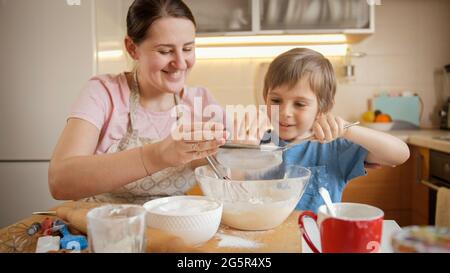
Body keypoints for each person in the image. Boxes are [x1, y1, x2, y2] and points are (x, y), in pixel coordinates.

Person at [48, 0, 227, 204]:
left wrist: (244, 149)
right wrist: (158, 155)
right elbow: (59, 181)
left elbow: (230, 176)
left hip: (174, 228)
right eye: (165, 51)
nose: (180, 63)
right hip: (109, 230)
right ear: (132, 48)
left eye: (187, 49)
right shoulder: (104, 93)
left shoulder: (201, 102)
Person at [261, 48, 410, 212]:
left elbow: (400, 155)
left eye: (299, 104)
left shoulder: (333, 148)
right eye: (276, 100)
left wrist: (347, 130)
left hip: (319, 236)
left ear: (322, 108)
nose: (284, 112)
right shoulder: (257, 144)